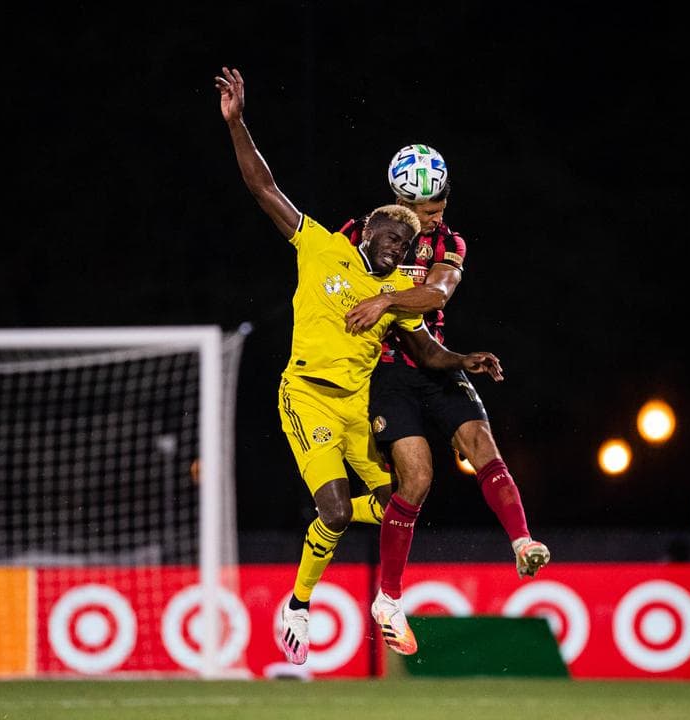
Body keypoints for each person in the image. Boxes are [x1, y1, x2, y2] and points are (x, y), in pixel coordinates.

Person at [215, 67, 506, 666]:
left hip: (355, 407)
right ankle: (297, 604)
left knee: (406, 496)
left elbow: (425, 350)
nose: (396, 245)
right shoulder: (323, 245)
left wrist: (465, 360)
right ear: (364, 229)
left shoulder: (398, 287)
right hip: (307, 396)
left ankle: (388, 603)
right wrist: (239, 123)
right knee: (337, 509)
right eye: (388, 233)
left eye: (405, 243)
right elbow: (264, 189)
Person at [339, 158, 549, 656]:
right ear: (399, 202)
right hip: (384, 373)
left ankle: (523, 543)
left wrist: (386, 302)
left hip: (432, 359)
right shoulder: (360, 233)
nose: (435, 217)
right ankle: (388, 600)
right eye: (424, 209)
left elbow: (437, 293)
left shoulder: (449, 243)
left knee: (480, 440)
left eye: (440, 206)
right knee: (416, 479)